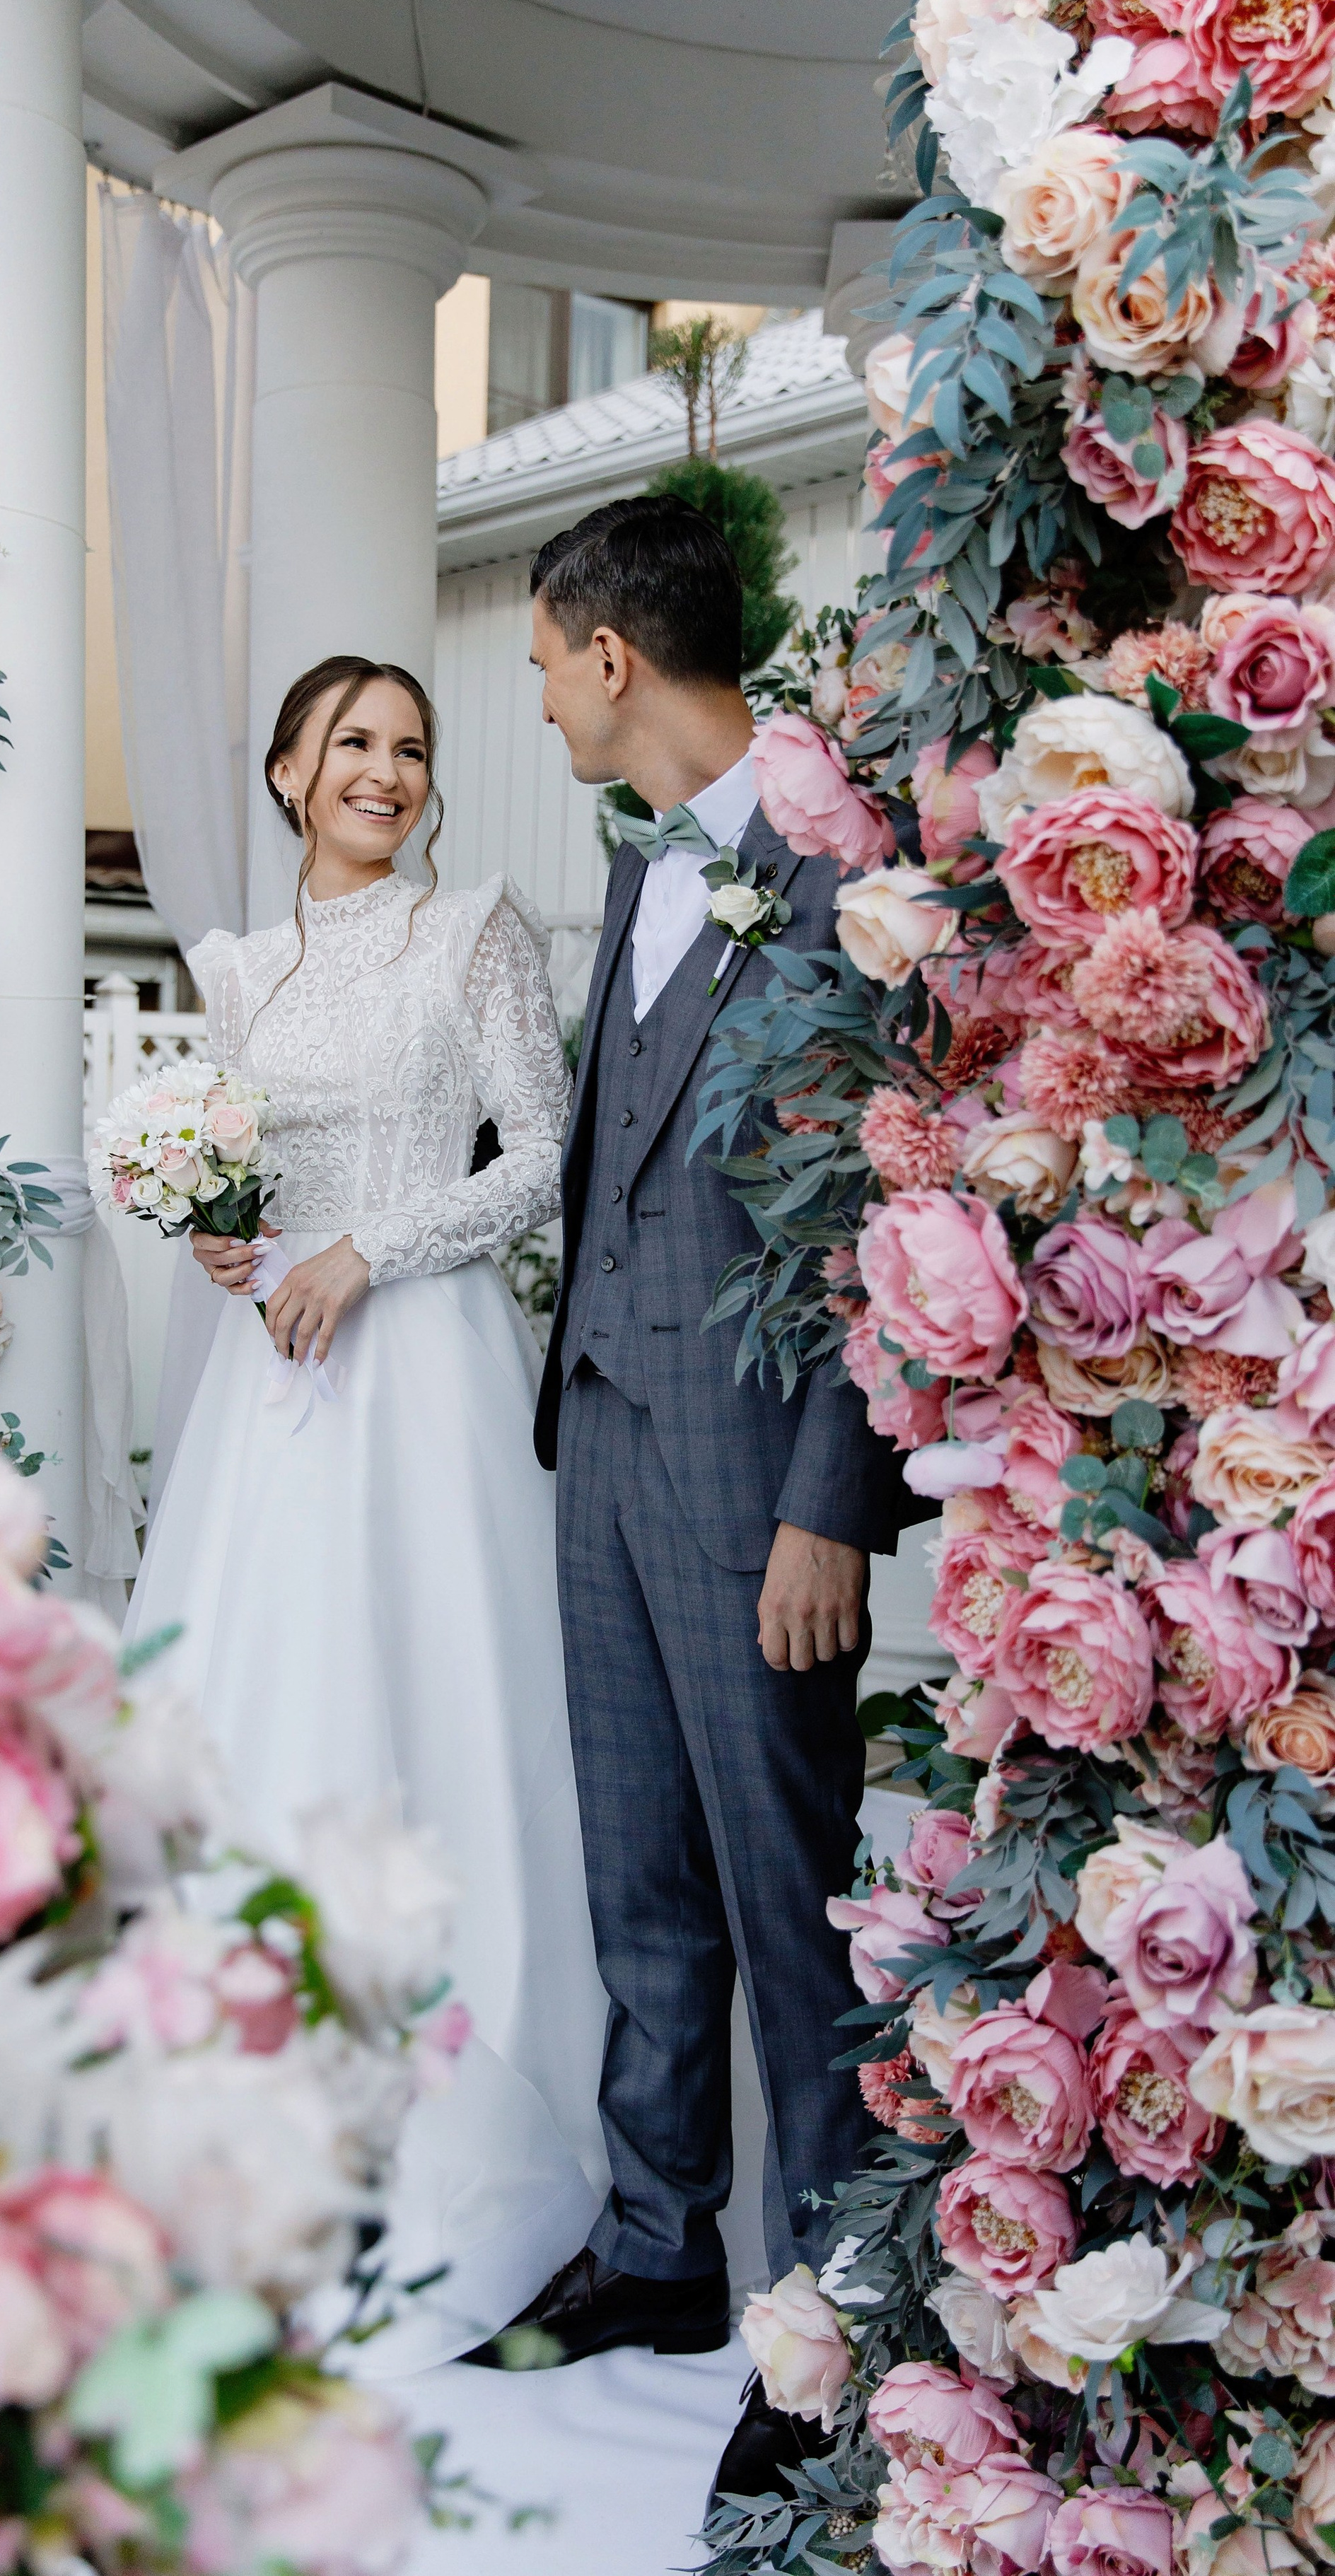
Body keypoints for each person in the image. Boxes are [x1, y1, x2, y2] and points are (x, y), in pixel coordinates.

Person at [462, 498, 906, 2506]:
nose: (542, 702)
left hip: (756, 1486)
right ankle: (657, 2253)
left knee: (788, 1906)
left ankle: (828, 2321)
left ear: (610, 656)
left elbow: (889, 1212)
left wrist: (832, 1504)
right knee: (637, 1883)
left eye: (544, 666)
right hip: (607, 1445)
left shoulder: (838, 872)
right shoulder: (639, 865)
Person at [124, 653, 609, 2369]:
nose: (384, 772)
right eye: (351, 744)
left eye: (408, 747)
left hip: (423, 1374)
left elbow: (538, 1156)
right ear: (285, 771)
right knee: (264, 1717)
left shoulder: (469, 930)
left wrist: (367, 1249)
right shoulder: (236, 969)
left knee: (439, 1707)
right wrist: (223, 1232)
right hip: (273, 1395)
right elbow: (236, 1165)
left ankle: (472, 2120)